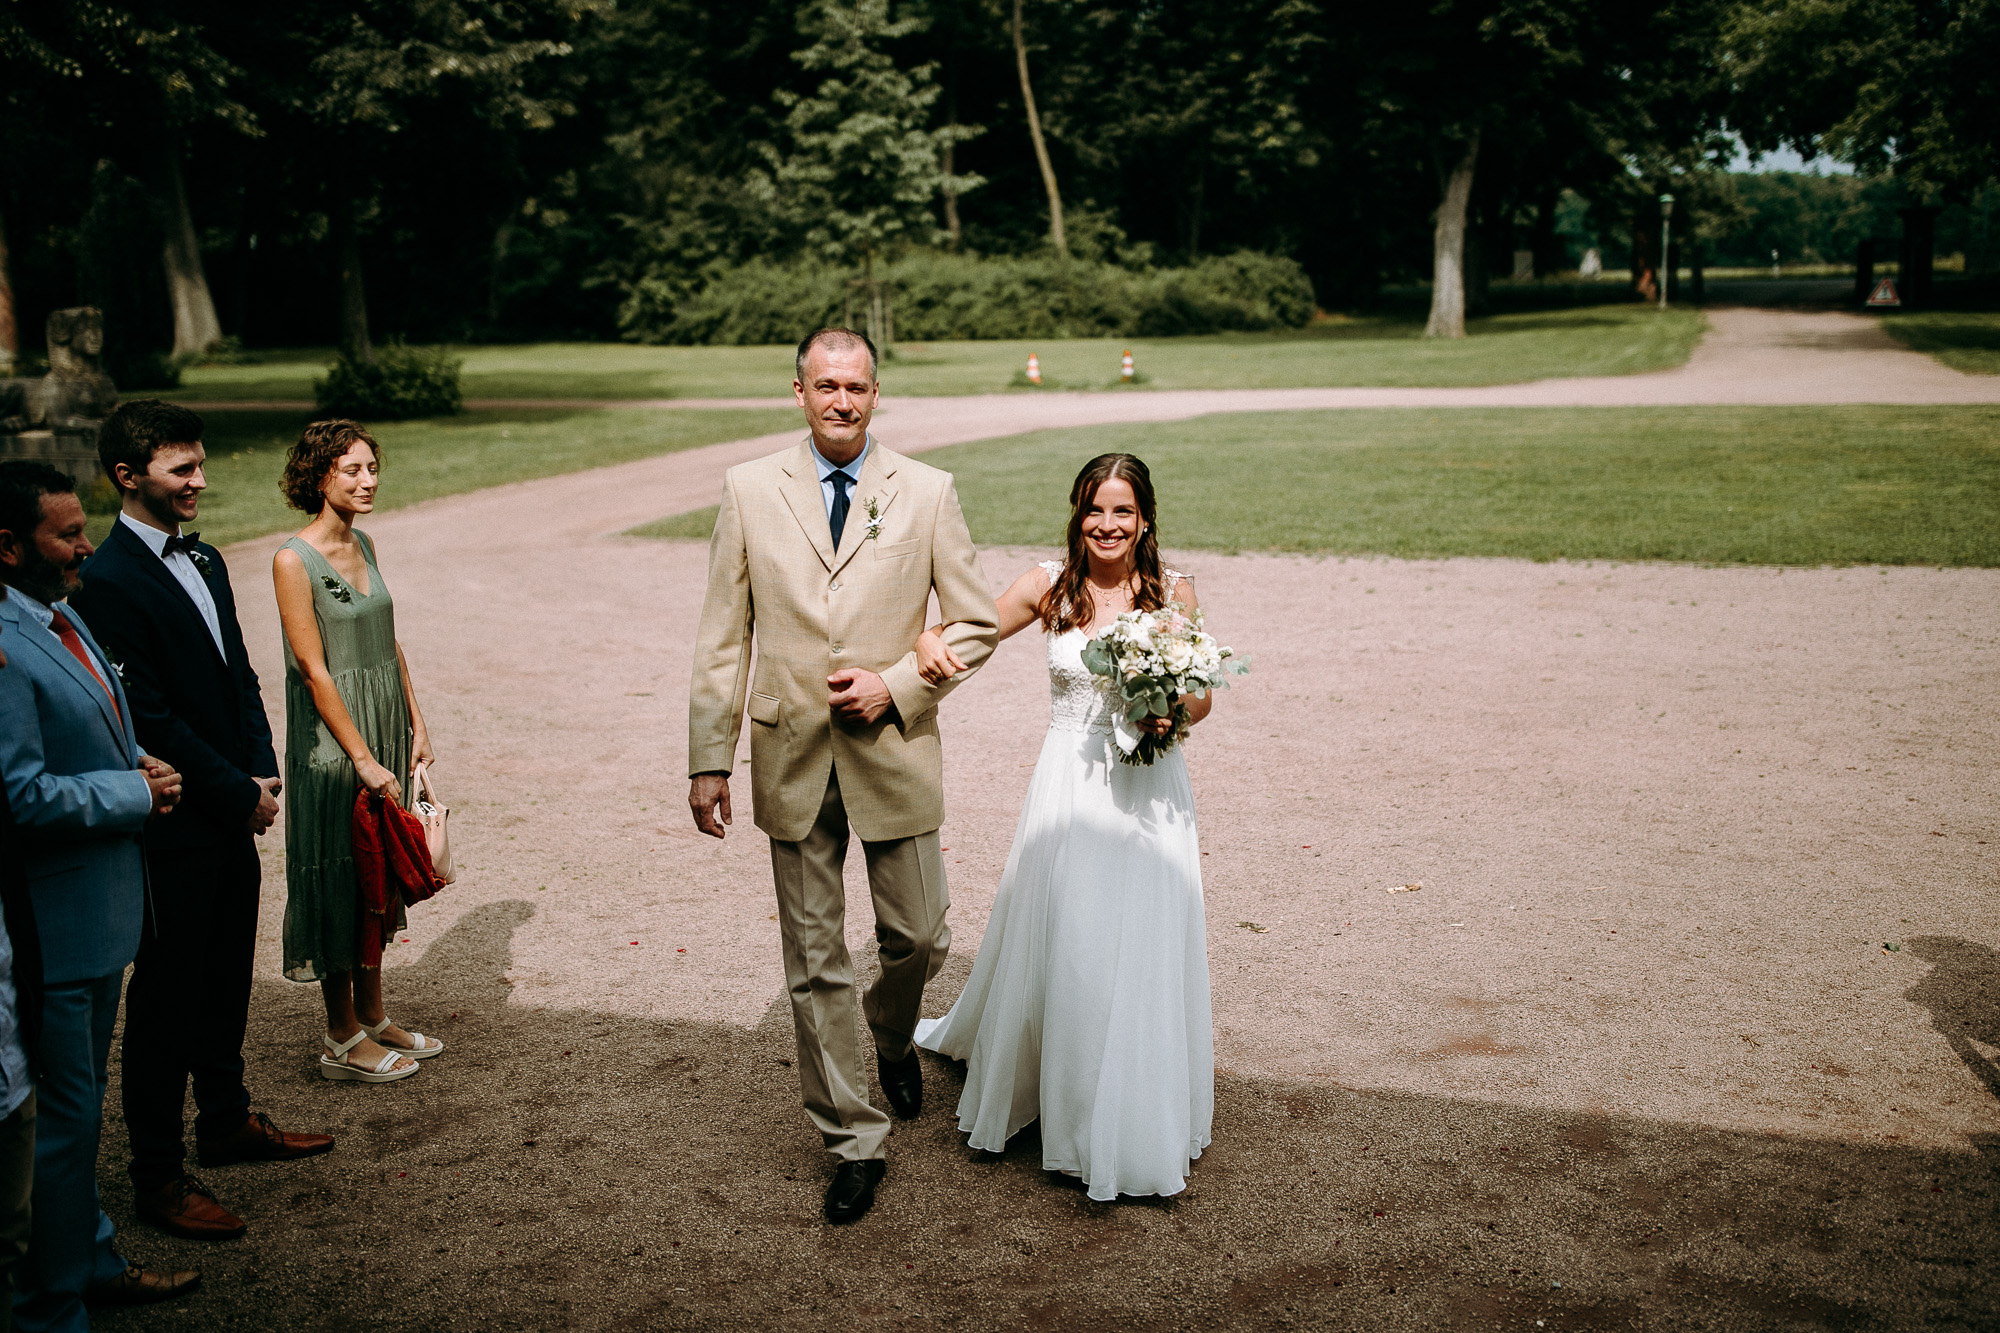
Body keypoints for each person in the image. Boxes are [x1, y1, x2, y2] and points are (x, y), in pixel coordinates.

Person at [687, 328, 1000, 1224]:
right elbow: (723, 636)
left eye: (856, 386)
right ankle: (853, 1140)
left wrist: (896, 684)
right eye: (825, 385)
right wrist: (709, 757)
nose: (841, 400)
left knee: (920, 934)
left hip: (893, 747)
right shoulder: (748, 489)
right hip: (788, 752)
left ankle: (893, 1033)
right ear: (798, 392)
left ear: (876, 393)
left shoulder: (928, 490)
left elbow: (975, 624)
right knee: (814, 958)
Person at [911, 453, 1216, 1201]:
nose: (1107, 525)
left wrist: (1172, 711)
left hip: (1146, 784)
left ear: (1145, 519)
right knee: (1073, 935)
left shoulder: (1173, 592)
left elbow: (1202, 696)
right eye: (1094, 510)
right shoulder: (1049, 585)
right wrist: (926, 639)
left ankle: (1127, 1112)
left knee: (1136, 939)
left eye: (1123, 511)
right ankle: (1060, 1095)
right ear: (1078, 516)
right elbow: (969, 634)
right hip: (1069, 780)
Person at [68, 401, 334, 1245]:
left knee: (224, 974)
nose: (200, 481)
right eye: (181, 468)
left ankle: (225, 1118)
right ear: (127, 476)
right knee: (165, 999)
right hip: (176, 818)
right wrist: (232, 791)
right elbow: (149, 715)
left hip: (230, 801)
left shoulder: (208, 557)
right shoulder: (106, 579)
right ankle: (157, 1172)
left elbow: (237, 672)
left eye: (200, 464)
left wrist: (263, 766)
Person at [0, 462, 199, 1329]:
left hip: (98, 915)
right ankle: (51, 1305)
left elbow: (84, 729)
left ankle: (91, 1259)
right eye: (68, 534)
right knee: (63, 1120)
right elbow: (18, 795)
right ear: (9, 545)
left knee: (77, 1117)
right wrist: (131, 794)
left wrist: (134, 761)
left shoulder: (60, 608)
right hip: (53, 928)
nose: (88, 546)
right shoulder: (4, 643)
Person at [272, 420, 442, 1085]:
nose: (368, 481)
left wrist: (415, 722)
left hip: (384, 725)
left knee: (377, 874)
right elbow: (313, 670)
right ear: (320, 476)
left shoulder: (365, 542)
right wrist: (363, 758)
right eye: (352, 470)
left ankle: (372, 1014)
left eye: (372, 468)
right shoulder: (293, 560)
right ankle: (340, 1035)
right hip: (334, 741)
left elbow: (389, 640)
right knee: (339, 875)